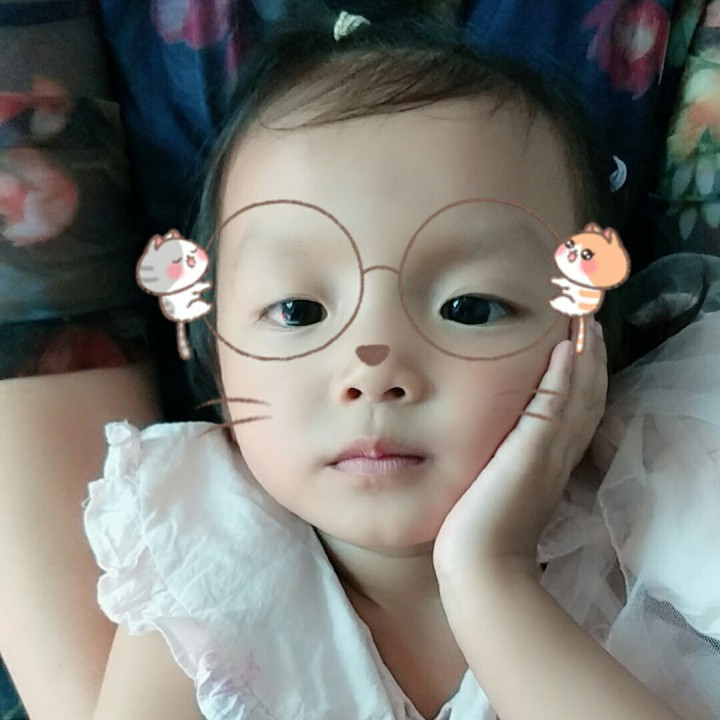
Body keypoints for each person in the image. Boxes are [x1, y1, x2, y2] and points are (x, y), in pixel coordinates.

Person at [84, 6, 720, 720]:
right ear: (216, 347)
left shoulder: (657, 510)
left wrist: (491, 577)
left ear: (585, 338)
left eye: (469, 308)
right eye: (298, 311)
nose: (374, 372)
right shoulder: (201, 568)